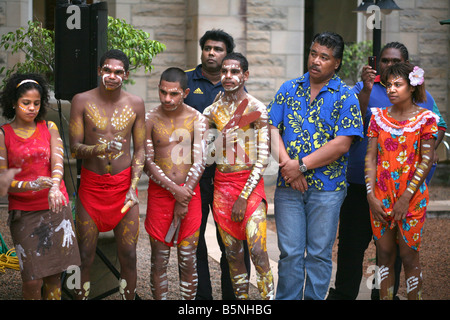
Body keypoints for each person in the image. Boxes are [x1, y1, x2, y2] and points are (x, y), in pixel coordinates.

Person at [328, 42, 447, 300]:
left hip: (410, 194)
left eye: (395, 64)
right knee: (361, 250)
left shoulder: (425, 109)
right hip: (370, 189)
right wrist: (372, 195)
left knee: (404, 255)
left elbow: (435, 139)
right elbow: (364, 142)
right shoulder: (370, 102)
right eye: (385, 61)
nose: (389, 69)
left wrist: (426, 154)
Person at [268, 31, 363, 300]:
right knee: (290, 254)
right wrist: (289, 166)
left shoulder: (346, 96)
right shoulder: (288, 88)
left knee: (319, 254)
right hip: (288, 188)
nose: (316, 60)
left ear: (337, 63)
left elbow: (342, 143)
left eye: (324, 57)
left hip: (328, 190)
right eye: (313, 53)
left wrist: (300, 167)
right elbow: (271, 128)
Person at [69, 49, 146, 300]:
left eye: (118, 72)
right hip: (91, 188)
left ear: (126, 74)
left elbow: (141, 149)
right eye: (107, 70)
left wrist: (133, 187)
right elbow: (74, 148)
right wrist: (101, 148)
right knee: (84, 255)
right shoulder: (81, 100)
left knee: (130, 255)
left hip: (124, 188)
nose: (112, 76)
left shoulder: (135, 104)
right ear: (100, 71)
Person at [0, 73, 80, 299]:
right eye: (26, 103)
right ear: (13, 103)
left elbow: (57, 161)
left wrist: (55, 186)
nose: (31, 108)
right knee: (32, 280)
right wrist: (31, 184)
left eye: (36, 103)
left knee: (54, 276)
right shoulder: (3, 134)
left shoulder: (49, 127)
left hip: (55, 208)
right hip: (25, 214)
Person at [184, 29, 250, 300]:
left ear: (228, 56)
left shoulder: (237, 87)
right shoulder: (186, 81)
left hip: (227, 178)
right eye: (207, 48)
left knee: (232, 243)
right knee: (194, 241)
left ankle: (231, 300)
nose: (211, 53)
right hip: (194, 176)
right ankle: (202, 300)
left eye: (218, 49)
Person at [203, 52, 274, 300]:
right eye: (224, 71)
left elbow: (263, 157)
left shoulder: (257, 108)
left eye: (234, 72)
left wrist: (244, 196)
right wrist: (221, 142)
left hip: (250, 187)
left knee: (258, 251)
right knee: (233, 256)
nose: (228, 76)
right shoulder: (211, 111)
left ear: (245, 75)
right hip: (222, 188)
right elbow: (203, 154)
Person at [365, 62, 438, 300]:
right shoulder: (378, 117)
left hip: (412, 199)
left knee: (409, 256)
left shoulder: (426, 119)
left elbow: (426, 161)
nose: (391, 90)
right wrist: (370, 196)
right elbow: (371, 158)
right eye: (388, 85)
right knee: (384, 254)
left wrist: (406, 198)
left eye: (398, 84)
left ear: (412, 86)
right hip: (381, 198)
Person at [144, 67, 207, 300]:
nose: (167, 99)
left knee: (188, 258)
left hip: (190, 194)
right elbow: (147, 162)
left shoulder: (197, 119)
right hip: (160, 196)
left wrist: (184, 195)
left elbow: (200, 160)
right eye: (163, 92)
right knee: (158, 261)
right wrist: (175, 191)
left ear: (186, 92)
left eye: (174, 94)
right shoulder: (150, 118)